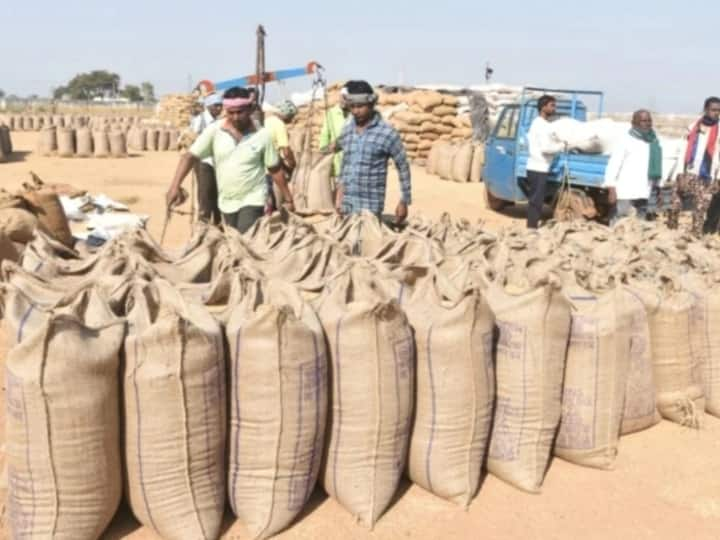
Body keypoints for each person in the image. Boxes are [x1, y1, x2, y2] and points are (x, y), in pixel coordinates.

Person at [166, 86, 293, 233]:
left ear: (250, 109)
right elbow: (189, 156)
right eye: (231, 113)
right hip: (227, 201)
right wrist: (175, 186)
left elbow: (274, 168)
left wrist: (288, 198)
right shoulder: (215, 131)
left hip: (254, 197)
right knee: (232, 240)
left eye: (240, 112)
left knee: (244, 235)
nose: (236, 117)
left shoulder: (262, 135)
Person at [334, 80, 411, 222]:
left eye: (360, 106)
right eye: (352, 106)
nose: (356, 111)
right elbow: (345, 166)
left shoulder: (387, 133)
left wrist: (404, 200)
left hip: (370, 207)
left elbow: (403, 167)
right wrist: (339, 196)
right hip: (347, 205)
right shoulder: (347, 131)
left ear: (371, 104)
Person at [668, 96, 720, 236]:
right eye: (713, 110)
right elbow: (681, 150)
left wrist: (717, 178)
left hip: (707, 176)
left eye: (718, 110)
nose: (716, 113)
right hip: (688, 171)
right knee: (674, 205)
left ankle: (695, 238)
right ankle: (670, 234)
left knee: (700, 209)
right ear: (705, 109)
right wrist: (678, 173)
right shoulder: (692, 127)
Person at [604, 110, 663, 223]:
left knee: (639, 225)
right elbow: (613, 165)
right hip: (626, 191)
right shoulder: (625, 140)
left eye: (649, 120)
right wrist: (611, 189)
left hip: (645, 191)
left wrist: (658, 188)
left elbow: (658, 166)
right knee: (620, 223)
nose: (647, 123)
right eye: (643, 121)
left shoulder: (654, 141)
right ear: (634, 123)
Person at [526, 95, 565, 228]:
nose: (554, 108)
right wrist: (562, 146)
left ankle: (532, 225)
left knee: (535, 200)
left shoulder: (538, 123)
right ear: (543, 107)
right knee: (536, 201)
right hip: (538, 168)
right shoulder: (541, 125)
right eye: (552, 105)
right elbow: (545, 148)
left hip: (536, 167)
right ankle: (531, 228)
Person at [189, 92, 224, 224]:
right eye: (216, 105)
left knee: (217, 193)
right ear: (209, 106)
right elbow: (191, 139)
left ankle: (218, 223)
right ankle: (203, 224)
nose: (219, 108)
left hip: (217, 162)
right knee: (205, 194)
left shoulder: (220, 121)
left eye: (220, 105)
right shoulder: (199, 120)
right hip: (203, 162)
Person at [263, 100, 298, 211]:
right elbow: (286, 150)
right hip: (272, 170)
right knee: (276, 203)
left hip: (260, 171)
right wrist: (293, 165)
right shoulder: (278, 124)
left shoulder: (264, 121)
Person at [319, 87, 351, 178]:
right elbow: (325, 135)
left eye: (347, 98)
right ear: (339, 97)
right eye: (343, 97)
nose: (345, 101)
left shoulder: (354, 114)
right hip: (337, 162)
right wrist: (323, 153)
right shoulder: (332, 113)